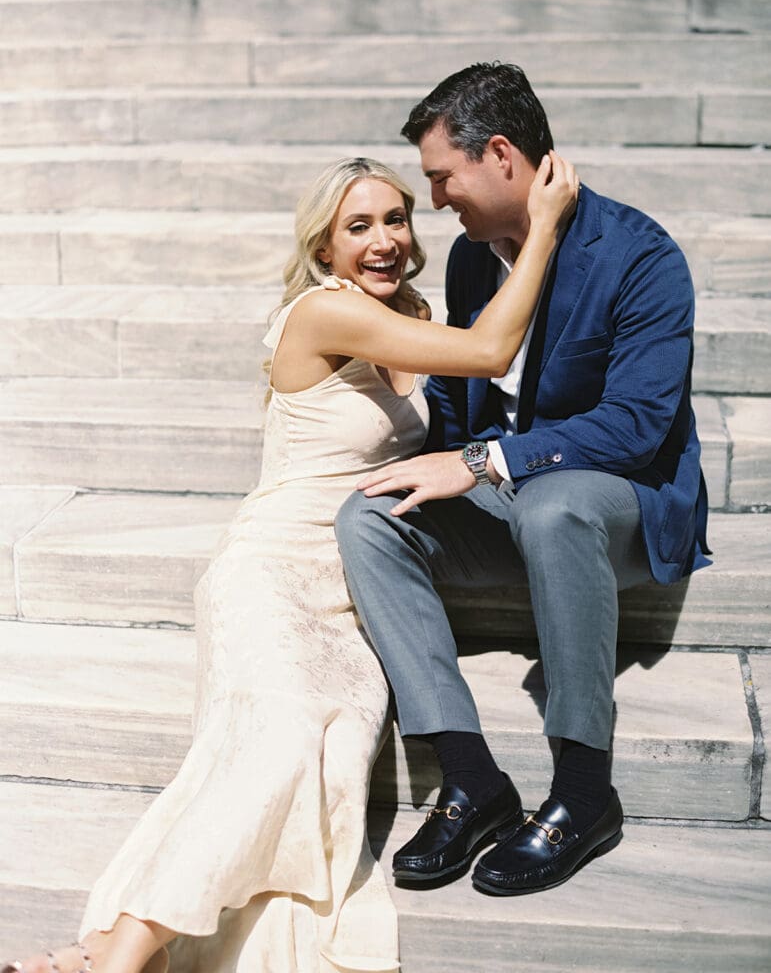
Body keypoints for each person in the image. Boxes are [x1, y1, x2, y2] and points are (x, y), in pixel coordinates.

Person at [4, 153, 576, 973]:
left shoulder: (413, 307)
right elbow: (490, 352)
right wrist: (545, 225)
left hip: (359, 584)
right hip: (272, 570)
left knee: (331, 755)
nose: (382, 240)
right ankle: (119, 957)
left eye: (394, 219)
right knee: (272, 745)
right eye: (357, 226)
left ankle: (99, 952)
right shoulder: (321, 314)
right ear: (323, 245)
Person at [334, 62, 712, 897]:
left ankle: (583, 792)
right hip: (514, 501)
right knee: (367, 517)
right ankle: (471, 778)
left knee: (556, 503)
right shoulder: (474, 262)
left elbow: (636, 426)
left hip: (615, 504)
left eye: (440, 177)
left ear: (499, 155)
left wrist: (477, 462)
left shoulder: (639, 255)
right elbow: (461, 399)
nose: (434, 202)